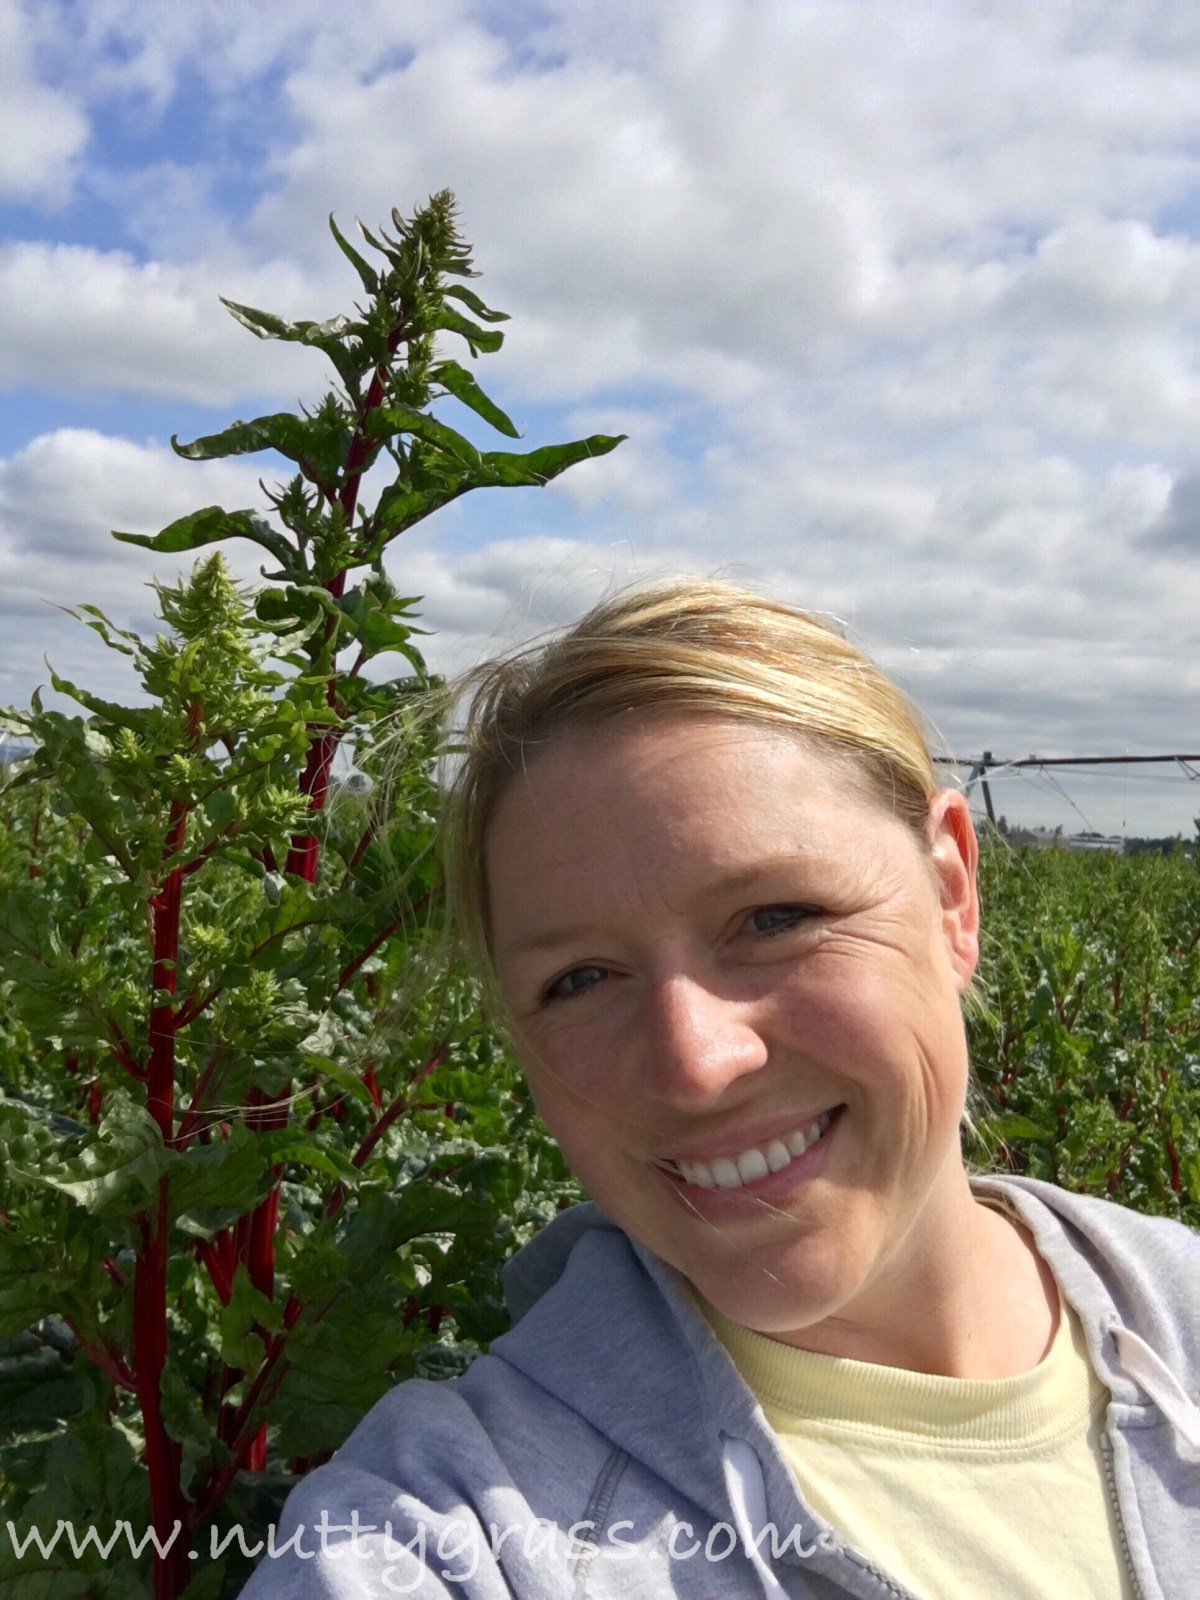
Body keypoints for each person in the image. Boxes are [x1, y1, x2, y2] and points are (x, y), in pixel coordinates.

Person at [240, 580, 1198, 1599]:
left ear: (953, 894)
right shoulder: (446, 1533)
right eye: (579, 980)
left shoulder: (1178, 1308)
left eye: (776, 916)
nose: (694, 1062)